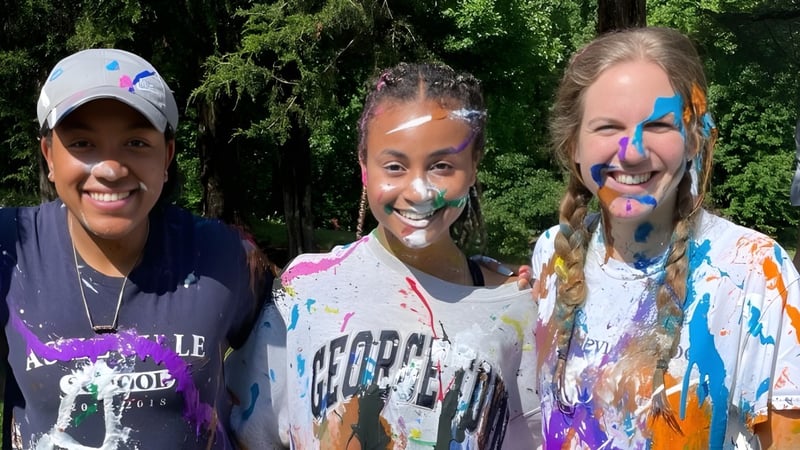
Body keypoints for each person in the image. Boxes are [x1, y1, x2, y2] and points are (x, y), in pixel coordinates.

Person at [225, 62, 541, 449]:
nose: (419, 191)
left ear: (474, 167)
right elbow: (249, 434)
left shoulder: (517, 310)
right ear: (364, 168)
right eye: (395, 166)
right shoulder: (306, 292)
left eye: (442, 166)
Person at [531, 26, 800, 448]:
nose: (633, 150)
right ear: (573, 146)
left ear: (693, 139)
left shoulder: (753, 271)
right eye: (606, 127)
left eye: (658, 125)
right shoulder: (552, 253)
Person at [0, 48, 269, 449]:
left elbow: (277, 387)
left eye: (136, 143)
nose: (110, 169)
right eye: (82, 142)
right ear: (49, 156)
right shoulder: (11, 250)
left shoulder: (225, 257)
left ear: (167, 155)